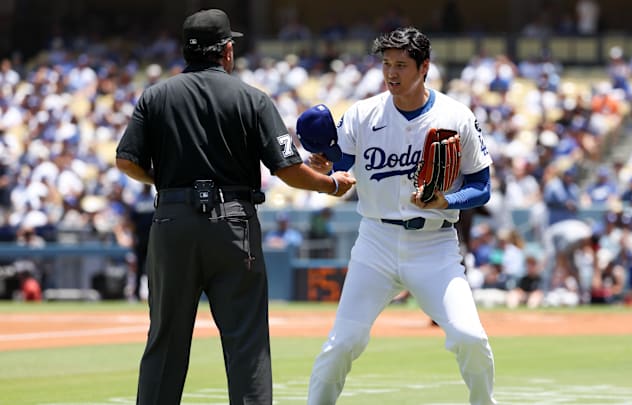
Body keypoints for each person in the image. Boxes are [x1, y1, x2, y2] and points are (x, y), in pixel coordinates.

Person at [114, 9, 355, 405]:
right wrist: (331, 185)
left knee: (165, 339)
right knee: (246, 342)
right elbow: (288, 170)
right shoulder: (251, 98)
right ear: (226, 51)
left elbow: (126, 160)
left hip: (172, 222)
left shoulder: (155, 96)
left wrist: (168, 183)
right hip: (233, 226)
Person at [304, 26, 497, 404]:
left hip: (434, 245)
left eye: (401, 65)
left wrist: (446, 201)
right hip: (375, 242)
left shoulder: (456, 115)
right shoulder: (363, 114)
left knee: (469, 338)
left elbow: (482, 186)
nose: (391, 73)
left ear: (424, 67)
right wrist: (325, 163)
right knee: (343, 342)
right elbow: (339, 165)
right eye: (387, 64)